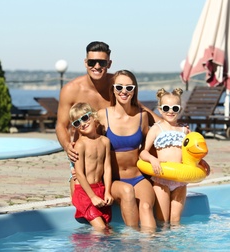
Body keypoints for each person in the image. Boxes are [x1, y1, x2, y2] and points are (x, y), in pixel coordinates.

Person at [55, 41, 160, 194]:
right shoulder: (71, 90)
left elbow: (141, 110)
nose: (97, 66)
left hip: (111, 157)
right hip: (85, 155)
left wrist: (172, 125)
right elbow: (61, 125)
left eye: (102, 62)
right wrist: (67, 146)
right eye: (92, 62)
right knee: (83, 203)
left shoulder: (117, 85)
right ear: (85, 63)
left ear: (109, 63)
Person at [97, 70, 157, 231]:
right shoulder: (103, 116)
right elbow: (88, 144)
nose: (124, 91)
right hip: (115, 181)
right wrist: (76, 171)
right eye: (119, 87)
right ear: (113, 89)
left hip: (138, 177)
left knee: (145, 207)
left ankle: (151, 245)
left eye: (129, 87)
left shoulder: (142, 116)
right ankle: (132, 242)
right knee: (127, 191)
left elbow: (153, 142)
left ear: (134, 90)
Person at [139, 88, 210, 224]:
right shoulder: (156, 129)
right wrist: (152, 159)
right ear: (160, 110)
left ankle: (175, 245)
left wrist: (201, 162)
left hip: (180, 181)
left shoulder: (185, 130)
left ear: (180, 109)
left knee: (176, 220)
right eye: (166, 108)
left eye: (175, 108)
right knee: (163, 220)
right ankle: (163, 244)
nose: (170, 111)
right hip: (162, 179)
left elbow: (191, 153)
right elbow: (143, 152)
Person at [69, 102, 114, 231]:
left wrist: (108, 191)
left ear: (93, 116)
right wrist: (92, 197)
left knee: (107, 228)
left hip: (100, 188)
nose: (83, 123)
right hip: (84, 192)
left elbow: (107, 168)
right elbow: (79, 173)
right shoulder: (80, 144)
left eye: (85, 118)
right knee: (101, 228)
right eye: (77, 123)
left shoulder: (105, 142)